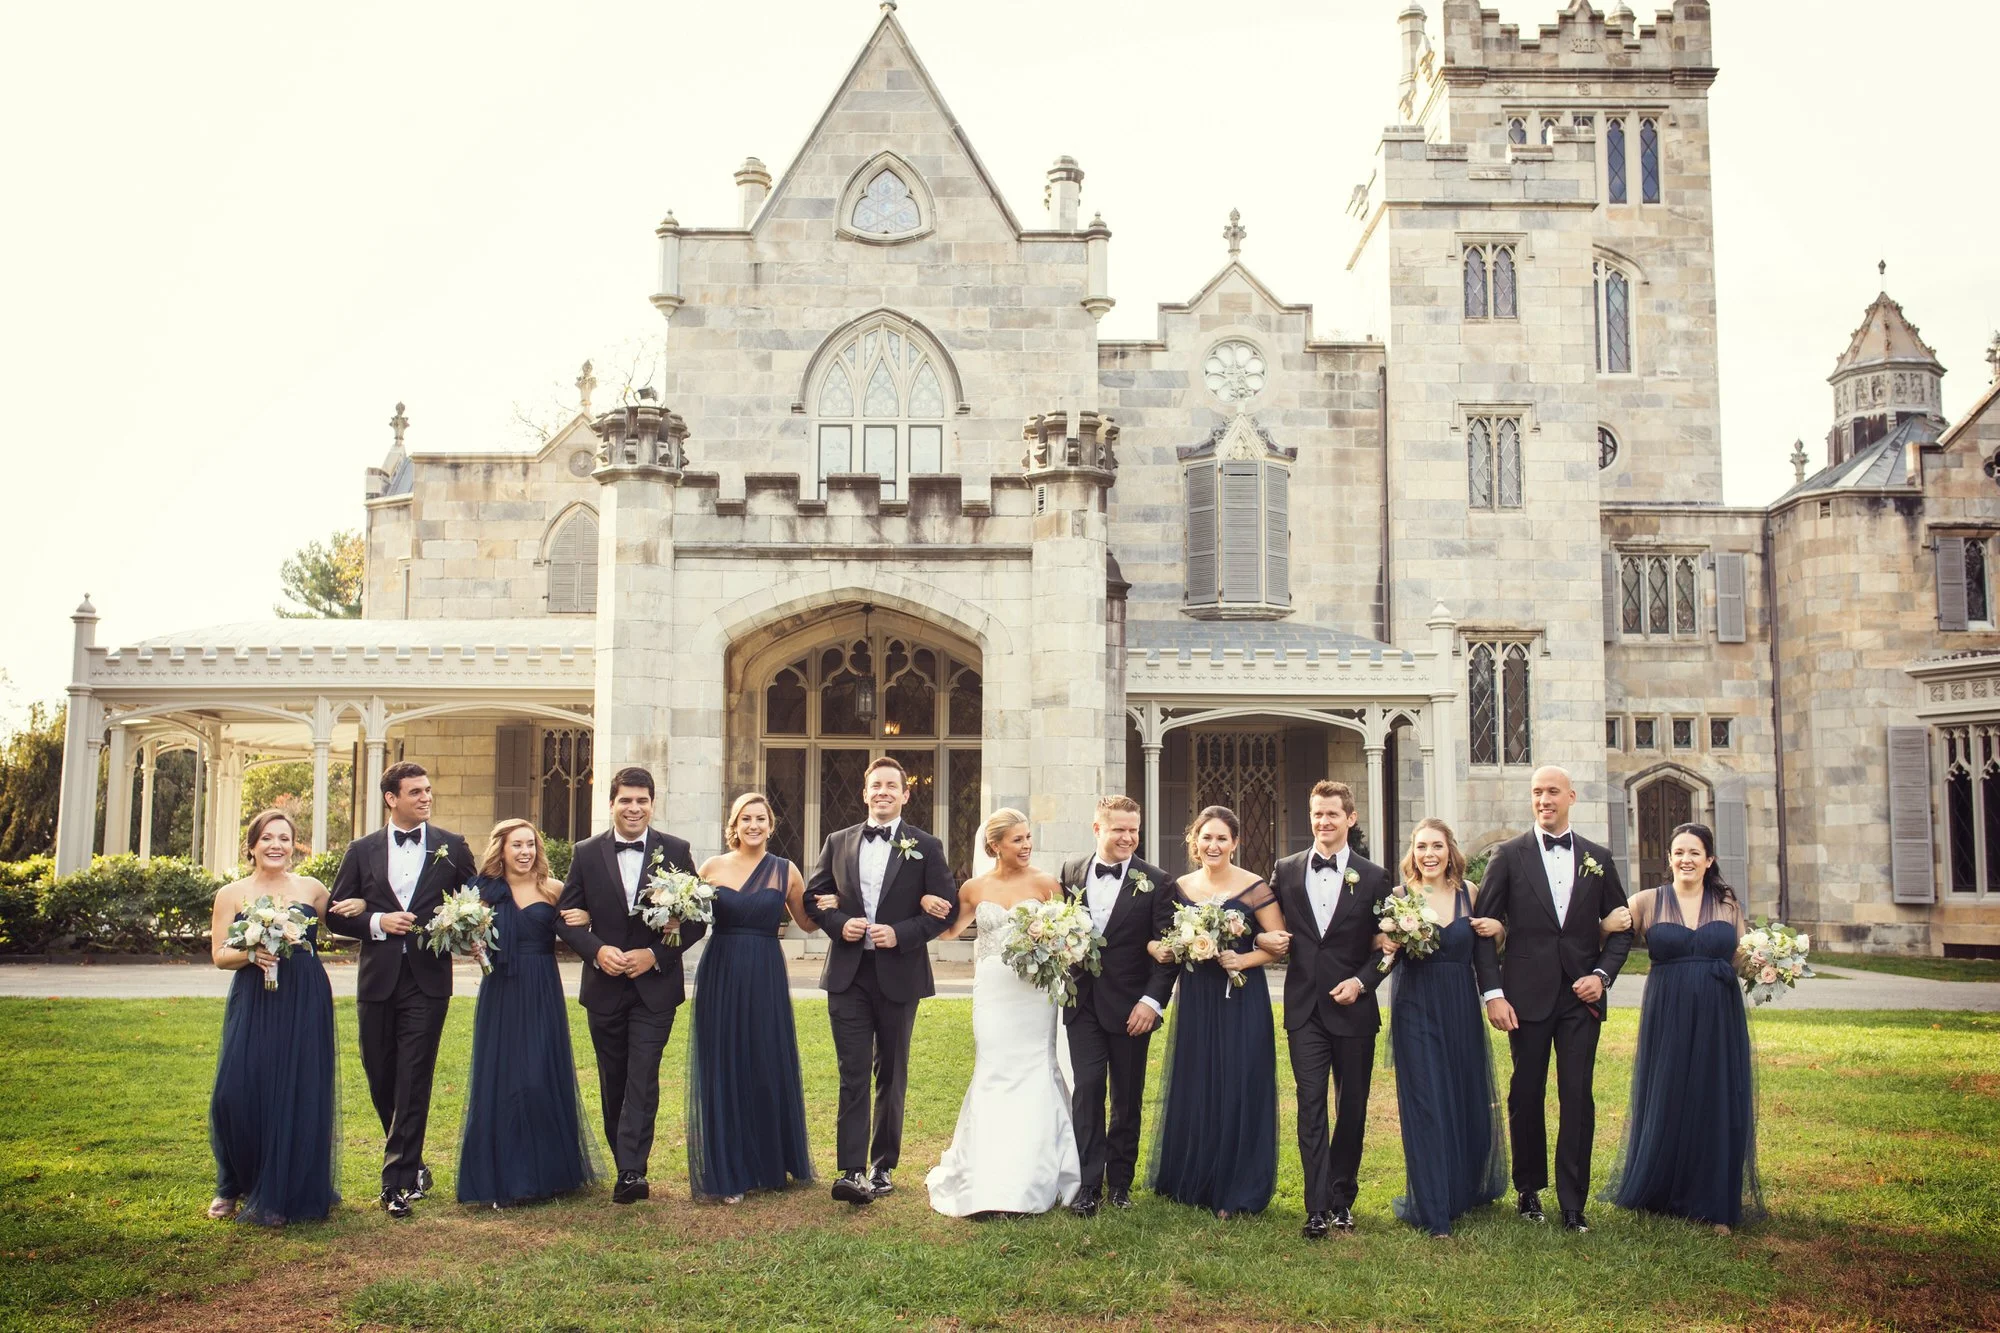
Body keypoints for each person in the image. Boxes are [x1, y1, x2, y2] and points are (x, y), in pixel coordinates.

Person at [1474, 765, 1635, 1233]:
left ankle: (1573, 1202)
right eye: (1536, 793)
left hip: (1579, 998)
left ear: (1571, 795)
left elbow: (1622, 925)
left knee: (1577, 1097)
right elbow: (1483, 932)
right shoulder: (1507, 855)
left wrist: (1602, 975)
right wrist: (1494, 994)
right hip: (1523, 998)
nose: (1543, 800)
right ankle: (1528, 1190)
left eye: (1552, 792)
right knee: (1526, 1093)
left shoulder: (1598, 858)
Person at [803, 755, 959, 1205]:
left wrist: (902, 932)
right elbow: (814, 898)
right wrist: (838, 924)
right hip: (848, 974)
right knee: (852, 1072)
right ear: (865, 792)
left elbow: (944, 906)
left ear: (906, 794)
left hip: (899, 973)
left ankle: (883, 1166)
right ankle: (852, 1171)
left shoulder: (926, 845)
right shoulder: (838, 841)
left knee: (890, 1071)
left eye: (893, 786)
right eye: (876, 785)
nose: (884, 792)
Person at [324, 761, 477, 1218]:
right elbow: (334, 915)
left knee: (414, 1074)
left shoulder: (452, 846)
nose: (426, 798)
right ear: (392, 798)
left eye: (428, 790)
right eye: (416, 792)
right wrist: (374, 919)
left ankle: (397, 1181)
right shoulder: (362, 849)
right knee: (380, 1072)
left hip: (429, 979)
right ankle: (413, 1162)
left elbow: (475, 897)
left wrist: (467, 923)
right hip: (378, 977)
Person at [554, 766, 707, 1205]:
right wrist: (597, 950)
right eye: (626, 800)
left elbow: (697, 920)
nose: (634, 808)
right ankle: (624, 1156)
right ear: (611, 803)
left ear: (652, 804)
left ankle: (632, 1171)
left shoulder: (675, 850)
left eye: (642, 800)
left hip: (655, 988)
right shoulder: (586, 853)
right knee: (613, 1079)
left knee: (643, 1074)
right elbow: (566, 918)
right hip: (604, 986)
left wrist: (656, 954)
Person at [1604, 822, 1761, 1233]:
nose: (1686, 859)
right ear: (1669, 859)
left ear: (1709, 861)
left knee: (1715, 1096)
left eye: (1695, 853)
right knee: (1669, 1092)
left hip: (1718, 1011)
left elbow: (1742, 958)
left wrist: (1770, 962)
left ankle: (1713, 1202)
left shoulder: (1727, 904)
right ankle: (1661, 1188)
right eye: (1679, 852)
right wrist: (1604, 926)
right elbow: (1600, 932)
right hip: (1667, 1009)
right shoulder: (1646, 901)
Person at [925, 809, 1082, 1218]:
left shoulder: (1047, 884)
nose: (1027, 845)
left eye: (1029, 837)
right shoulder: (974, 888)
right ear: (994, 845)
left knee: (1035, 1067)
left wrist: (1058, 944)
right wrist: (925, 900)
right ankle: (989, 1172)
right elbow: (948, 931)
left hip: (1035, 993)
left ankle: (1037, 1171)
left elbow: (1071, 933)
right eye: (1017, 839)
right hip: (994, 990)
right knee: (993, 1069)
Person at [1255, 780, 1393, 1238]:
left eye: (1332, 814)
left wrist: (1362, 982)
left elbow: (1389, 947)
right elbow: (1269, 927)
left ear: (1350, 819)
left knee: (1351, 1107)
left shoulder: (1375, 877)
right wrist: (1258, 940)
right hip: (1304, 1010)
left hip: (1354, 1010)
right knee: (1310, 1104)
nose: (1323, 821)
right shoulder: (1286, 870)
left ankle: (1341, 1199)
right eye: (1316, 813)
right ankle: (1315, 1207)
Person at [1144, 806, 1284, 1219]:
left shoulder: (1254, 887)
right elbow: (1161, 939)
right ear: (1194, 841)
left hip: (1241, 996)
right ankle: (1194, 1179)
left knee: (1240, 1080)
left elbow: (1279, 943)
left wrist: (1244, 959)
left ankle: (1238, 1185)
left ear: (1235, 843)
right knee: (1199, 1078)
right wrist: (1159, 947)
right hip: (1199, 997)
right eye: (1206, 837)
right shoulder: (1180, 887)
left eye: (1222, 838)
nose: (1213, 845)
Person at [454, 819, 599, 1207]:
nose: (524, 852)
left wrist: (587, 920)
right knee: (500, 1078)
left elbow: (578, 928)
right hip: (500, 987)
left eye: (530, 845)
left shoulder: (552, 890)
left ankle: (547, 1174)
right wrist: (468, 943)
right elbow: (462, 937)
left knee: (538, 1075)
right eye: (516, 845)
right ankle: (500, 1175)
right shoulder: (479, 890)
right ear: (500, 849)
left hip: (541, 988)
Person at [207, 810, 339, 1226]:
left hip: (304, 995)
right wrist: (250, 953)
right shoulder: (232, 894)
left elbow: (340, 926)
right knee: (236, 1090)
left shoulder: (313, 890)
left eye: (284, 837)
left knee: (299, 1088)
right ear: (252, 845)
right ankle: (233, 1183)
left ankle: (291, 1184)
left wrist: (366, 907)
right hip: (254, 996)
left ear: (294, 844)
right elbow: (218, 956)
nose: (276, 845)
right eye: (267, 838)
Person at [1380, 818, 1508, 1237]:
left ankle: (1463, 1188)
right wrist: (1375, 960)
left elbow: (1484, 956)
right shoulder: (1399, 898)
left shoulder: (1471, 894)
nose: (1428, 854)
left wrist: (1499, 935)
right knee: (1426, 1102)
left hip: (1460, 1006)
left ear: (1450, 850)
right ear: (1411, 853)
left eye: (1436, 845)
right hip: (1415, 1006)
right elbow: (1385, 956)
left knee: (1463, 1094)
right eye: (1420, 847)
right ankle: (1434, 1208)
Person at [685, 792, 817, 1202]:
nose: (754, 825)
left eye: (761, 818)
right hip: (721, 968)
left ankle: (769, 1163)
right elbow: (688, 918)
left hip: (765, 972)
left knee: (764, 1060)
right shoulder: (711, 867)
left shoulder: (786, 870)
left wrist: (834, 901)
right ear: (734, 825)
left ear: (770, 825)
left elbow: (807, 922)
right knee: (724, 1063)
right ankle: (730, 1168)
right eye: (746, 819)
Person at [1055, 795, 1178, 1217]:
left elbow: (1170, 951)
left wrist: (1151, 1002)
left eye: (1133, 830)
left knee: (1127, 1096)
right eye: (1119, 829)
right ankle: (1089, 1183)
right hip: (1082, 1003)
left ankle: (1120, 1183)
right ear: (1097, 829)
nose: (1128, 837)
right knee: (1087, 1090)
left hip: (1132, 1007)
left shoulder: (1158, 881)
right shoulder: (1071, 871)